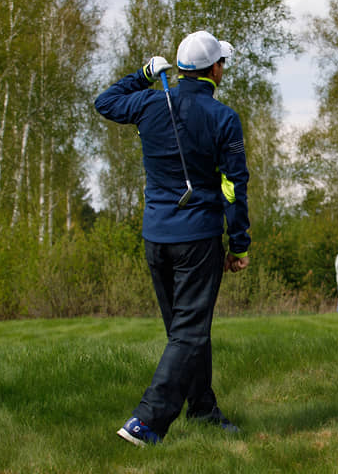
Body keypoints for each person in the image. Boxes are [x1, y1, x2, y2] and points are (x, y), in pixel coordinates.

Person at [95, 30, 251, 446]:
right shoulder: (223, 118)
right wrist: (239, 244)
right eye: (222, 63)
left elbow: (105, 102)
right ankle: (147, 421)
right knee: (189, 332)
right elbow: (235, 186)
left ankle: (202, 410)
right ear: (212, 70)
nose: (223, 69)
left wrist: (143, 74)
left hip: (155, 239)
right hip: (197, 239)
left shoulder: (149, 101)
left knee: (184, 331)